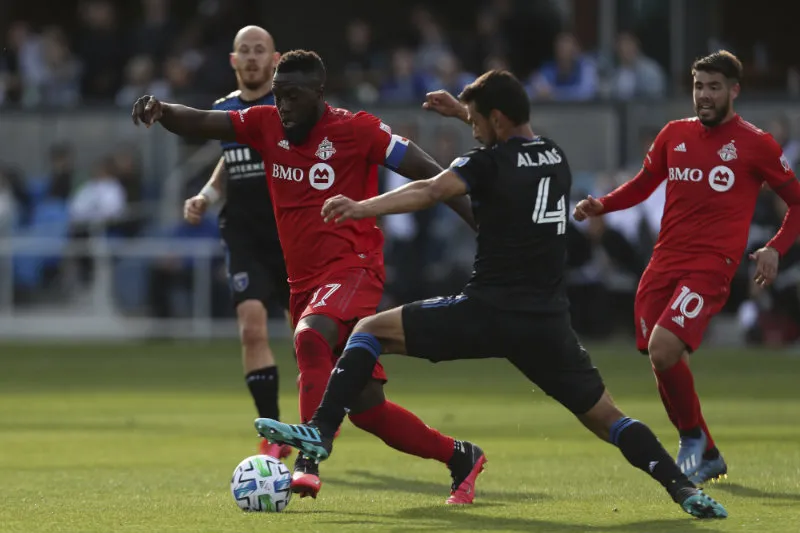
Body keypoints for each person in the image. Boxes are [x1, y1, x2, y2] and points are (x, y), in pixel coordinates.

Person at [253, 70, 729, 519]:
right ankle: (682, 488)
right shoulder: (555, 156)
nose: (474, 130)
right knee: (609, 418)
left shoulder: (487, 163)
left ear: (494, 120)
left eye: (477, 120)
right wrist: (464, 111)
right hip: (547, 324)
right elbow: (511, 131)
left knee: (367, 330)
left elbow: (429, 190)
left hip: (487, 312)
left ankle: (318, 433)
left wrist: (361, 206)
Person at [132, 50, 482, 503]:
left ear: (319, 93)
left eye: (293, 96)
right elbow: (201, 122)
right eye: (278, 96)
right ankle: (461, 457)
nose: (284, 107)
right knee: (367, 410)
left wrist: (475, 218)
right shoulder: (264, 124)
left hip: (355, 267)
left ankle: (309, 457)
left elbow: (429, 172)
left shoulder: (357, 130)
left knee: (310, 336)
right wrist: (162, 111)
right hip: (304, 283)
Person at [573, 50, 800, 484]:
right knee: (660, 359)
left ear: (734, 90)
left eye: (714, 87)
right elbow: (643, 184)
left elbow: (797, 203)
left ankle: (692, 437)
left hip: (711, 266)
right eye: (699, 87)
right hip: (663, 261)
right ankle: (706, 449)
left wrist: (774, 247)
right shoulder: (673, 135)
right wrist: (603, 203)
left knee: (664, 348)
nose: (705, 96)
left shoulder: (757, 144)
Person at [182, 26, 290, 460]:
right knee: (251, 327)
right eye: (243, 51)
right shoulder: (223, 110)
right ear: (232, 60)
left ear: (275, 59)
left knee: (311, 336)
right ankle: (274, 432)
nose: (250, 58)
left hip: (289, 234)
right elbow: (231, 159)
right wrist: (206, 197)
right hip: (242, 233)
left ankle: (322, 417)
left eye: (258, 50)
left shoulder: (287, 109)